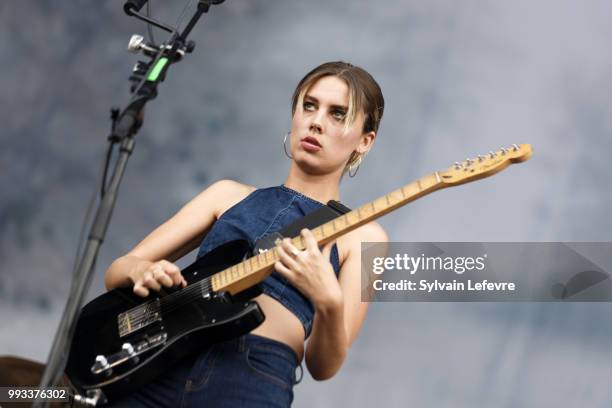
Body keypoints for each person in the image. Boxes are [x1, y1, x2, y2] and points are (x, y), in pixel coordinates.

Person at [103, 61, 389, 407]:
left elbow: (324, 366)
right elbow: (117, 270)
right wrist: (141, 271)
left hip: (253, 376)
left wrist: (328, 300)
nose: (316, 121)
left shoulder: (364, 236)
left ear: (365, 141)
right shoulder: (226, 195)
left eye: (338, 114)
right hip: (162, 360)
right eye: (309, 105)